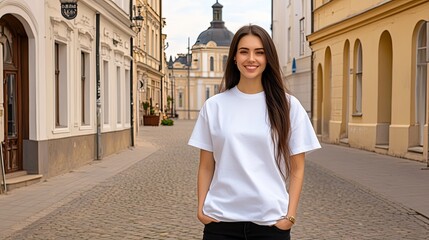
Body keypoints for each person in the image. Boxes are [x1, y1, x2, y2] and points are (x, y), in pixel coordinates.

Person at [188, 24, 321, 240]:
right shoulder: (214, 106)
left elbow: (298, 167)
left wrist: (290, 216)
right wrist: (201, 208)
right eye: (244, 52)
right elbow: (205, 165)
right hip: (221, 223)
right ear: (234, 58)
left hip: (270, 224)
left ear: (268, 58)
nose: (251, 59)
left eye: (259, 52)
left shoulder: (288, 106)